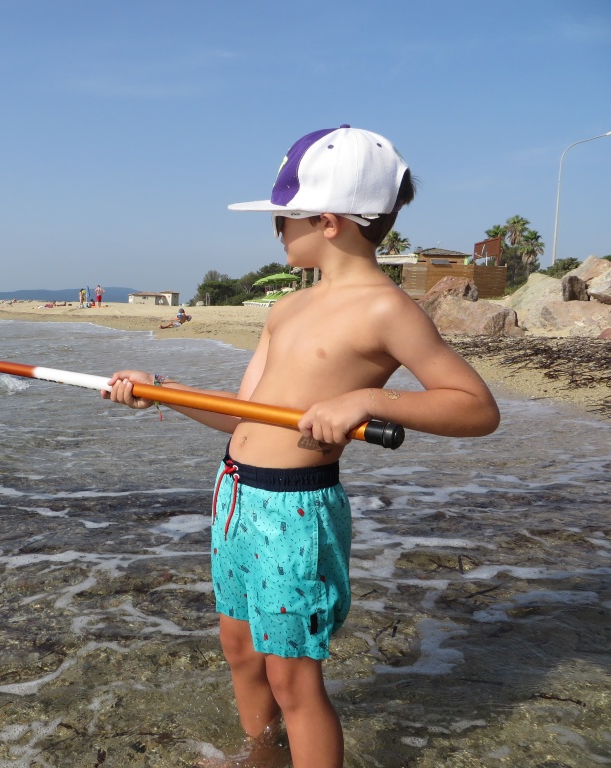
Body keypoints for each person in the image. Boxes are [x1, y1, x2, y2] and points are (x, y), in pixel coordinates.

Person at [103, 125, 500, 768]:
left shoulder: (386, 310)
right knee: (239, 649)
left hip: (296, 510)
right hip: (235, 493)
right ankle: (259, 756)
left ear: (328, 221)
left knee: (294, 680)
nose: (278, 233)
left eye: (282, 221)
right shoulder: (287, 309)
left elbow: (476, 408)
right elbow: (245, 421)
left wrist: (369, 400)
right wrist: (164, 390)